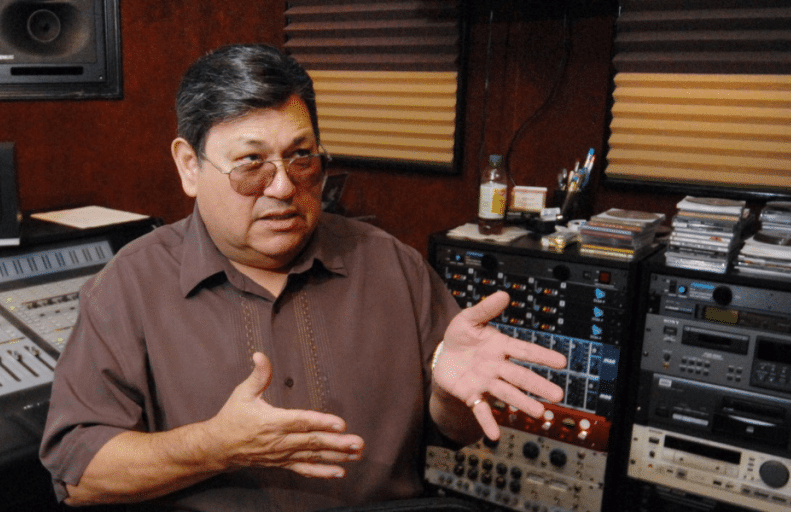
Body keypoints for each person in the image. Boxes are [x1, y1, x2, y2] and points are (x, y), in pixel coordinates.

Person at [39, 43, 566, 511]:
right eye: (252, 163)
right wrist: (214, 447)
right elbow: (79, 476)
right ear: (189, 167)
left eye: (301, 157)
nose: (284, 188)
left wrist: (451, 402)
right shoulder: (129, 286)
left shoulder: (393, 265)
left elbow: (458, 430)